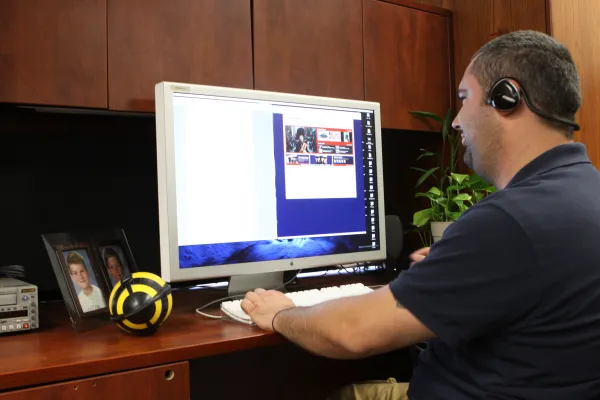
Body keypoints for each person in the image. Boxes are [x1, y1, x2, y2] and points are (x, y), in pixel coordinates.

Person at [241, 30, 600, 399]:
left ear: (505, 97)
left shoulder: (510, 221)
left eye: (464, 99)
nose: (457, 121)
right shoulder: (586, 194)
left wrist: (280, 314)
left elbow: (351, 333)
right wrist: (459, 267)